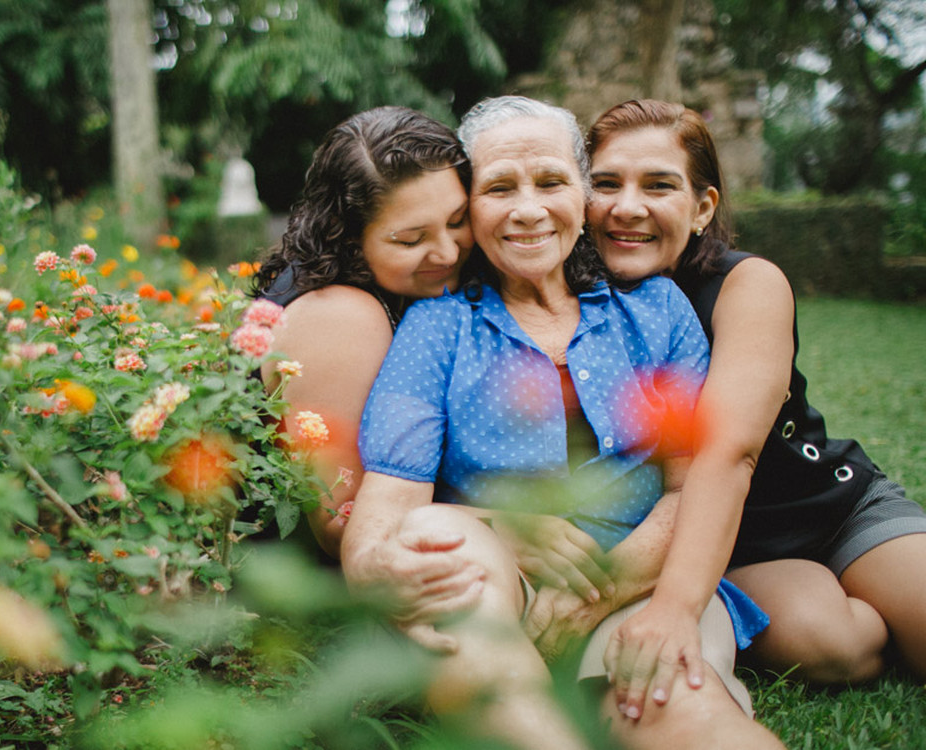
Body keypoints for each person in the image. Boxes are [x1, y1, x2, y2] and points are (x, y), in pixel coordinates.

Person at [341, 95, 783, 750]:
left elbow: (691, 488)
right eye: (499, 188)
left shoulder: (658, 310)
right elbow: (382, 519)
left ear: (582, 194)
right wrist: (469, 536)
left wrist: (600, 591)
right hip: (497, 592)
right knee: (437, 531)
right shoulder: (437, 326)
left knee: (688, 718)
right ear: (472, 206)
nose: (528, 209)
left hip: (640, 584)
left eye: (550, 181)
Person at [584, 98, 926, 720]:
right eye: (605, 184)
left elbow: (730, 450)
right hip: (736, 544)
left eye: (659, 185)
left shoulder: (745, 284)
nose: (626, 207)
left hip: (831, 504)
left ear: (702, 207)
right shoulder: (567, 300)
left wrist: (675, 611)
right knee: (833, 645)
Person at [251, 106, 474, 559]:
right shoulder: (341, 315)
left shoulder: (384, 290)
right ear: (349, 236)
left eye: (457, 221)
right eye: (411, 240)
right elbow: (343, 525)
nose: (448, 251)